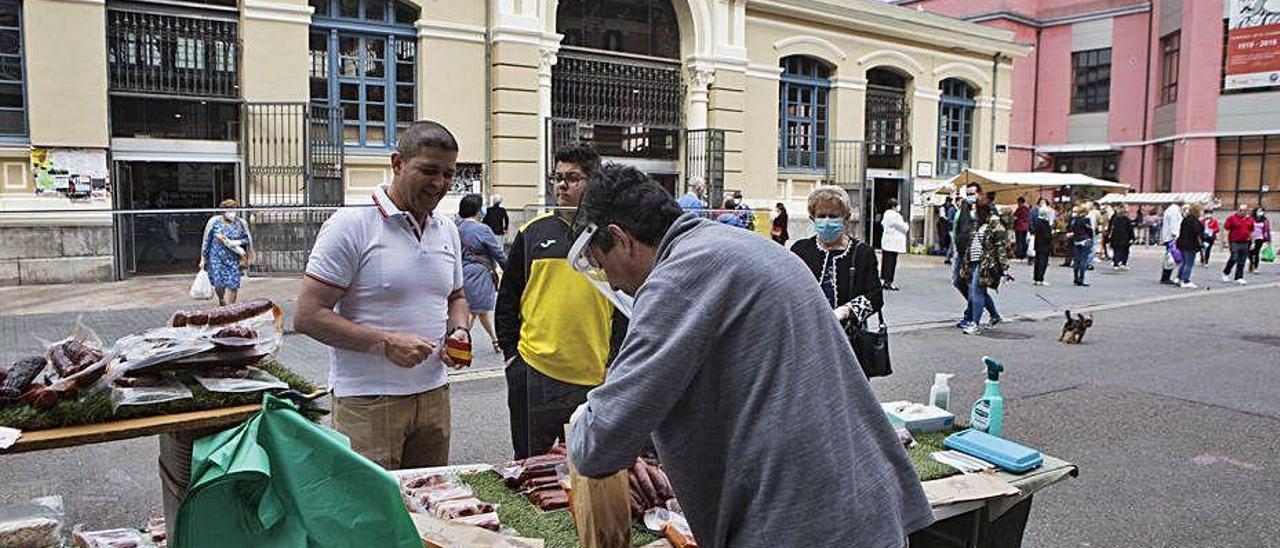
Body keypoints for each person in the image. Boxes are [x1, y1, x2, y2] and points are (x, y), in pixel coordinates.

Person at [567, 164, 933, 548]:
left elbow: (598, 447)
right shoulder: (742, 246)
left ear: (620, 239)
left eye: (602, 264)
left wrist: (583, 418)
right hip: (863, 510)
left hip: (808, 528)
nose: (612, 282)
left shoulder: (676, 279)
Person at [294, 120, 472, 470]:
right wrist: (385, 341)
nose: (440, 184)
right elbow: (308, 316)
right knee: (370, 516)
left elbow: (456, 296)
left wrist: (460, 329)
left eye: (449, 174)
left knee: (430, 509)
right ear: (397, 163)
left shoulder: (446, 228)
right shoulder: (351, 224)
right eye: (429, 170)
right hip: (367, 402)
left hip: (435, 395)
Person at [495, 143, 626, 459]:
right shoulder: (532, 233)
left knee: (588, 467)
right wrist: (514, 358)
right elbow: (507, 301)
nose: (562, 185)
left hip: (593, 376)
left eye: (573, 178)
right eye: (557, 178)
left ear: (593, 183)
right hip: (534, 371)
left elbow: (623, 308)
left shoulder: (608, 238)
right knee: (530, 466)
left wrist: (614, 363)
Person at [790, 187, 883, 328]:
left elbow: (875, 297)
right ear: (812, 218)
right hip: (808, 331)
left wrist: (846, 311)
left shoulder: (863, 253)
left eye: (833, 216)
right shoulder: (801, 249)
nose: (827, 221)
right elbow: (790, 290)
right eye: (821, 216)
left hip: (849, 337)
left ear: (846, 218)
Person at [457, 194, 507, 353]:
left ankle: (495, 341)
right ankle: (459, 345)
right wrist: (511, 271)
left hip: (462, 273)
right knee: (474, 311)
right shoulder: (482, 229)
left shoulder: (456, 227)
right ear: (478, 211)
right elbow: (498, 253)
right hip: (480, 274)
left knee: (481, 310)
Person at [960, 199, 1007, 334]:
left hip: (985, 264)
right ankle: (995, 316)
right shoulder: (978, 224)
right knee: (981, 293)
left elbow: (1000, 247)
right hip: (974, 262)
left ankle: (975, 324)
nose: (973, 212)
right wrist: (965, 264)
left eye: (976, 209)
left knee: (976, 293)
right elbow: (971, 245)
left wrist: (1004, 267)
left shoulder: (995, 225)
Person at [200, 199, 253, 306]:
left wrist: (236, 242)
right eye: (229, 210)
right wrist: (203, 258)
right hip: (216, 259)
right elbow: (207, 241)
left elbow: (246, 239)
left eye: (234, 210)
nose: (232, 213)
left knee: (233, 284)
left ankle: (230, 308)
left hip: (233, 259)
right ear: (223, 211)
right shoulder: (215, 223)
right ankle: (221, 299)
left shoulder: (240, 223)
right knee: (219, 284)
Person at [951, 182, 983, 327]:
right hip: (961, 250)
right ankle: (977, 309)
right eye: (968, 193)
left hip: (974, 253)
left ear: (979, 194)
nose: (970, 196)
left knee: (973, 287)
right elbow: (959, 228)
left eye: (973, 193)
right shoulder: (964, 207)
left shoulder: (982, 210)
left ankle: (971, 315)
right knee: (958, 281)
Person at [1221, 203, 1255, 284]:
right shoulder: (1232, 218)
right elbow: (1226, 229)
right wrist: (1225, 241)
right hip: (1234, 241)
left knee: (1242, 260)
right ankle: (1226, 272)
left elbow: (1251, 231)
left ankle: (1239, 277)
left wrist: (1252, 242)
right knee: (1234, 257)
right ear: (1237, 210)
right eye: (1241, 210)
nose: (1242, 212)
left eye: (1244, 211)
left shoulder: (1250, 219)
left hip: (1246, 242)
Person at [880, 197, 908, 291]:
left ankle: (884, 280)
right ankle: (889, 282)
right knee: (891, 263)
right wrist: (906, 225)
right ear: (894, 206)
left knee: (886, 261)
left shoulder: (886, 214)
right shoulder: (895, 216)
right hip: (893, 243)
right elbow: (902, 227)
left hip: (887, 242)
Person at [1176, 203, 1204, 288]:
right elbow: (1198, 231)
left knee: (1184, 262)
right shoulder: (1194, 220)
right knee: (1189, 263)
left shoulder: (1186, 219)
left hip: (1182, 243)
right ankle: (1185, 280)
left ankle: (1179, 278)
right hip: (1190, 244)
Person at [1066, 205, 1094, 287]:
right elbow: (1090, 230)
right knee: (1083, 260)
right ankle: (1081, 279)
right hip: (1085, 240)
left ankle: (1075, 278)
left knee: (1076, 260)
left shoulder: (1074, 220)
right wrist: (1090, 238)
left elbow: (1072, 229)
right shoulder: (1086, 220)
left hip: (1076, 241)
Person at [1159, 202, 1184, 285]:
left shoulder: (1170, 210)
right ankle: (1166, 277)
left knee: (1169, 257)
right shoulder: (1174, 211)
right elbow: (1174, 224)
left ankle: (1165, 276)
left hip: (1168, 237)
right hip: (1172, 238)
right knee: (1170, 258)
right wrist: (1176, 236)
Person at [1107, 203, 1134, 270]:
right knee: (1124, 251)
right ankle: (1122, 263)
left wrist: (1109, 236)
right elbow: (1130, 229)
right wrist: (1132, 237)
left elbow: (1110, 227)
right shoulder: (1126, 219)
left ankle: (1117, 263)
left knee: (1117, 250)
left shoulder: (1114, 217)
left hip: (1116, 237)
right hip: (1124, 237)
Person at [1031, 208, 1053, 286]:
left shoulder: (1037, 221)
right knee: (1042, 262)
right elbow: (1047, 235)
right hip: (1044, 245)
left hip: (1038, 244)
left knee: (1037, 262)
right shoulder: (1045, 222)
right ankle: (1040, 279)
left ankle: (1036, 278)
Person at [1248, 207, 1271, 273]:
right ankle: (1251, 262)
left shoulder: (1265, 220)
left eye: (1262, 211)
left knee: (1256, 252)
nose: (1261, 212)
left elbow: (1267, 230)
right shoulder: (1251, 218)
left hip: (1260, 238)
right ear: (1255, 211)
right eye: (1259, 211)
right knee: (1250, 253)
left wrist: (1268, 239)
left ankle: (1256, 267)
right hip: (1251, 237)